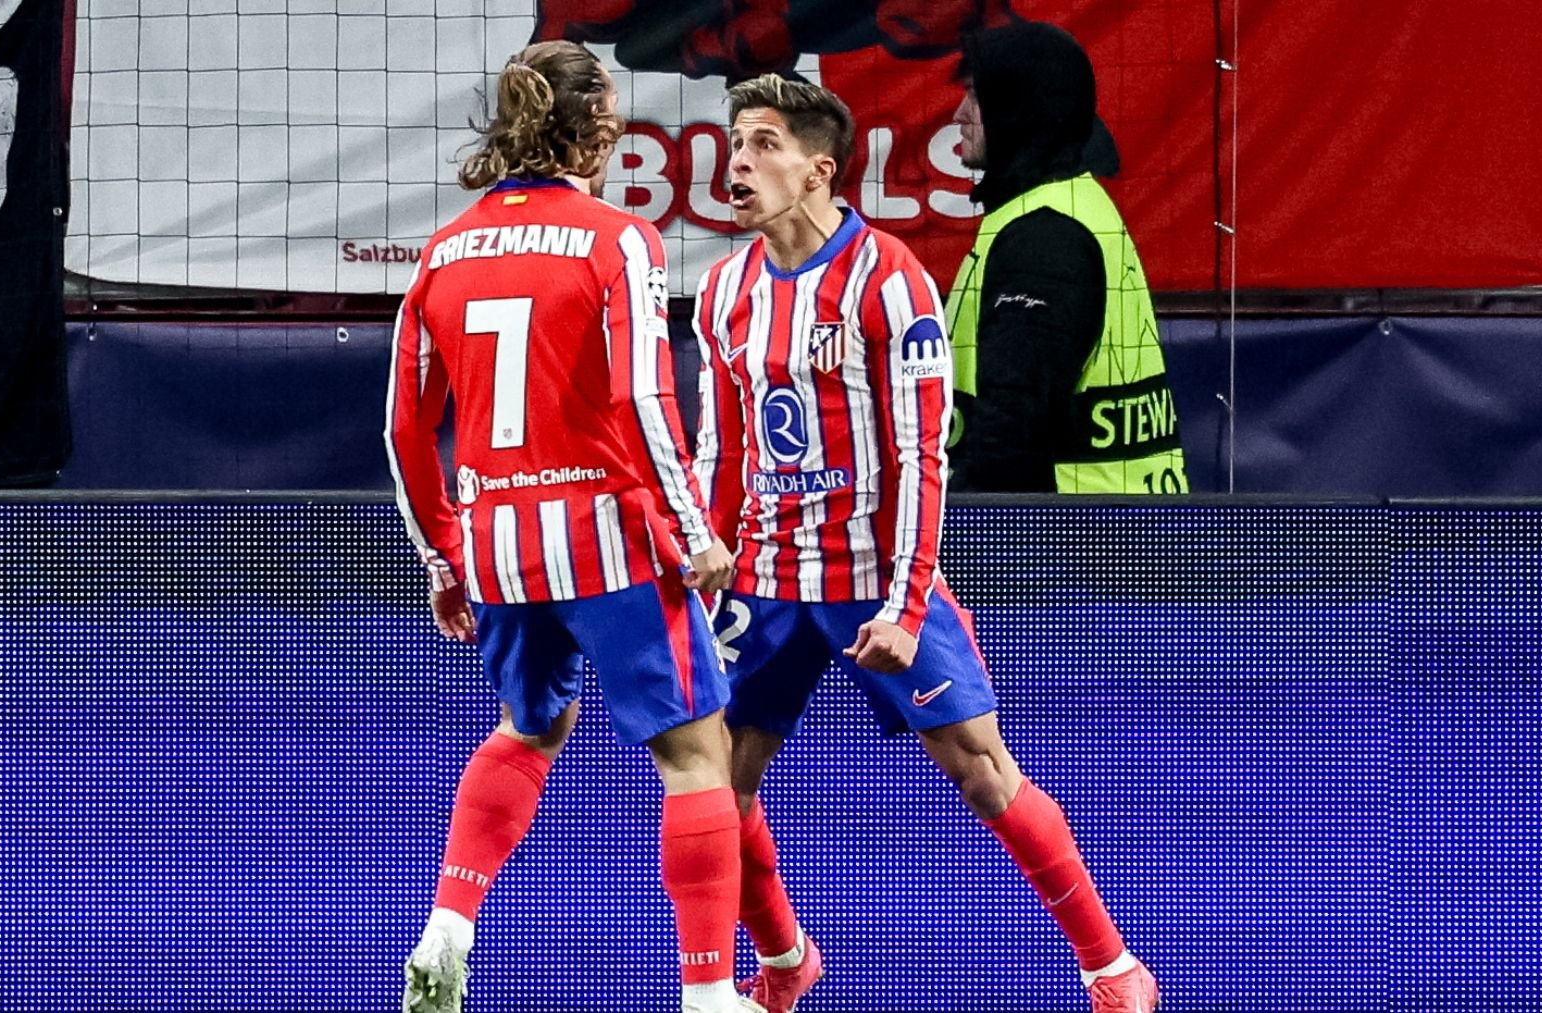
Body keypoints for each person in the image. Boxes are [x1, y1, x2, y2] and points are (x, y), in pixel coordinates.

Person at [690, 73, 1161, 1012]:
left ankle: (1114, 970)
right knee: (715, 790)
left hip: (873, 576)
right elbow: (725, 449)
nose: (738, 162)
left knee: (982, 770)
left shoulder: (890, 279)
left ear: (820, 170)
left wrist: (906, 605)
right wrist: (708, 564)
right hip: (767, 579)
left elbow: (920, 456)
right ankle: (785, 960)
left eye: (765, 144)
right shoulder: (723, 290)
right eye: (735, 142)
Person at [384, 40, 749, 1013]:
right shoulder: (617, 240)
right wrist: (691, 530)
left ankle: (446, 929)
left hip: (497, 535)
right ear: (595, 129)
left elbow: (404, 422)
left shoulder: (444, 249)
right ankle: (710, 995)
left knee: (530, 724)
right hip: (603, 529)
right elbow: (642, 398)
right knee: (694, 755)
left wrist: (441, 554)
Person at [943, 20, 1189, 494]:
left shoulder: (1043, 237)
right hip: (1116, 526)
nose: (958, 114)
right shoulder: (1072, 205)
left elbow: (1013, 425)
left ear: (1019, 109)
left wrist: (965, 529)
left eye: (976, 96)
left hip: (1071, 540)